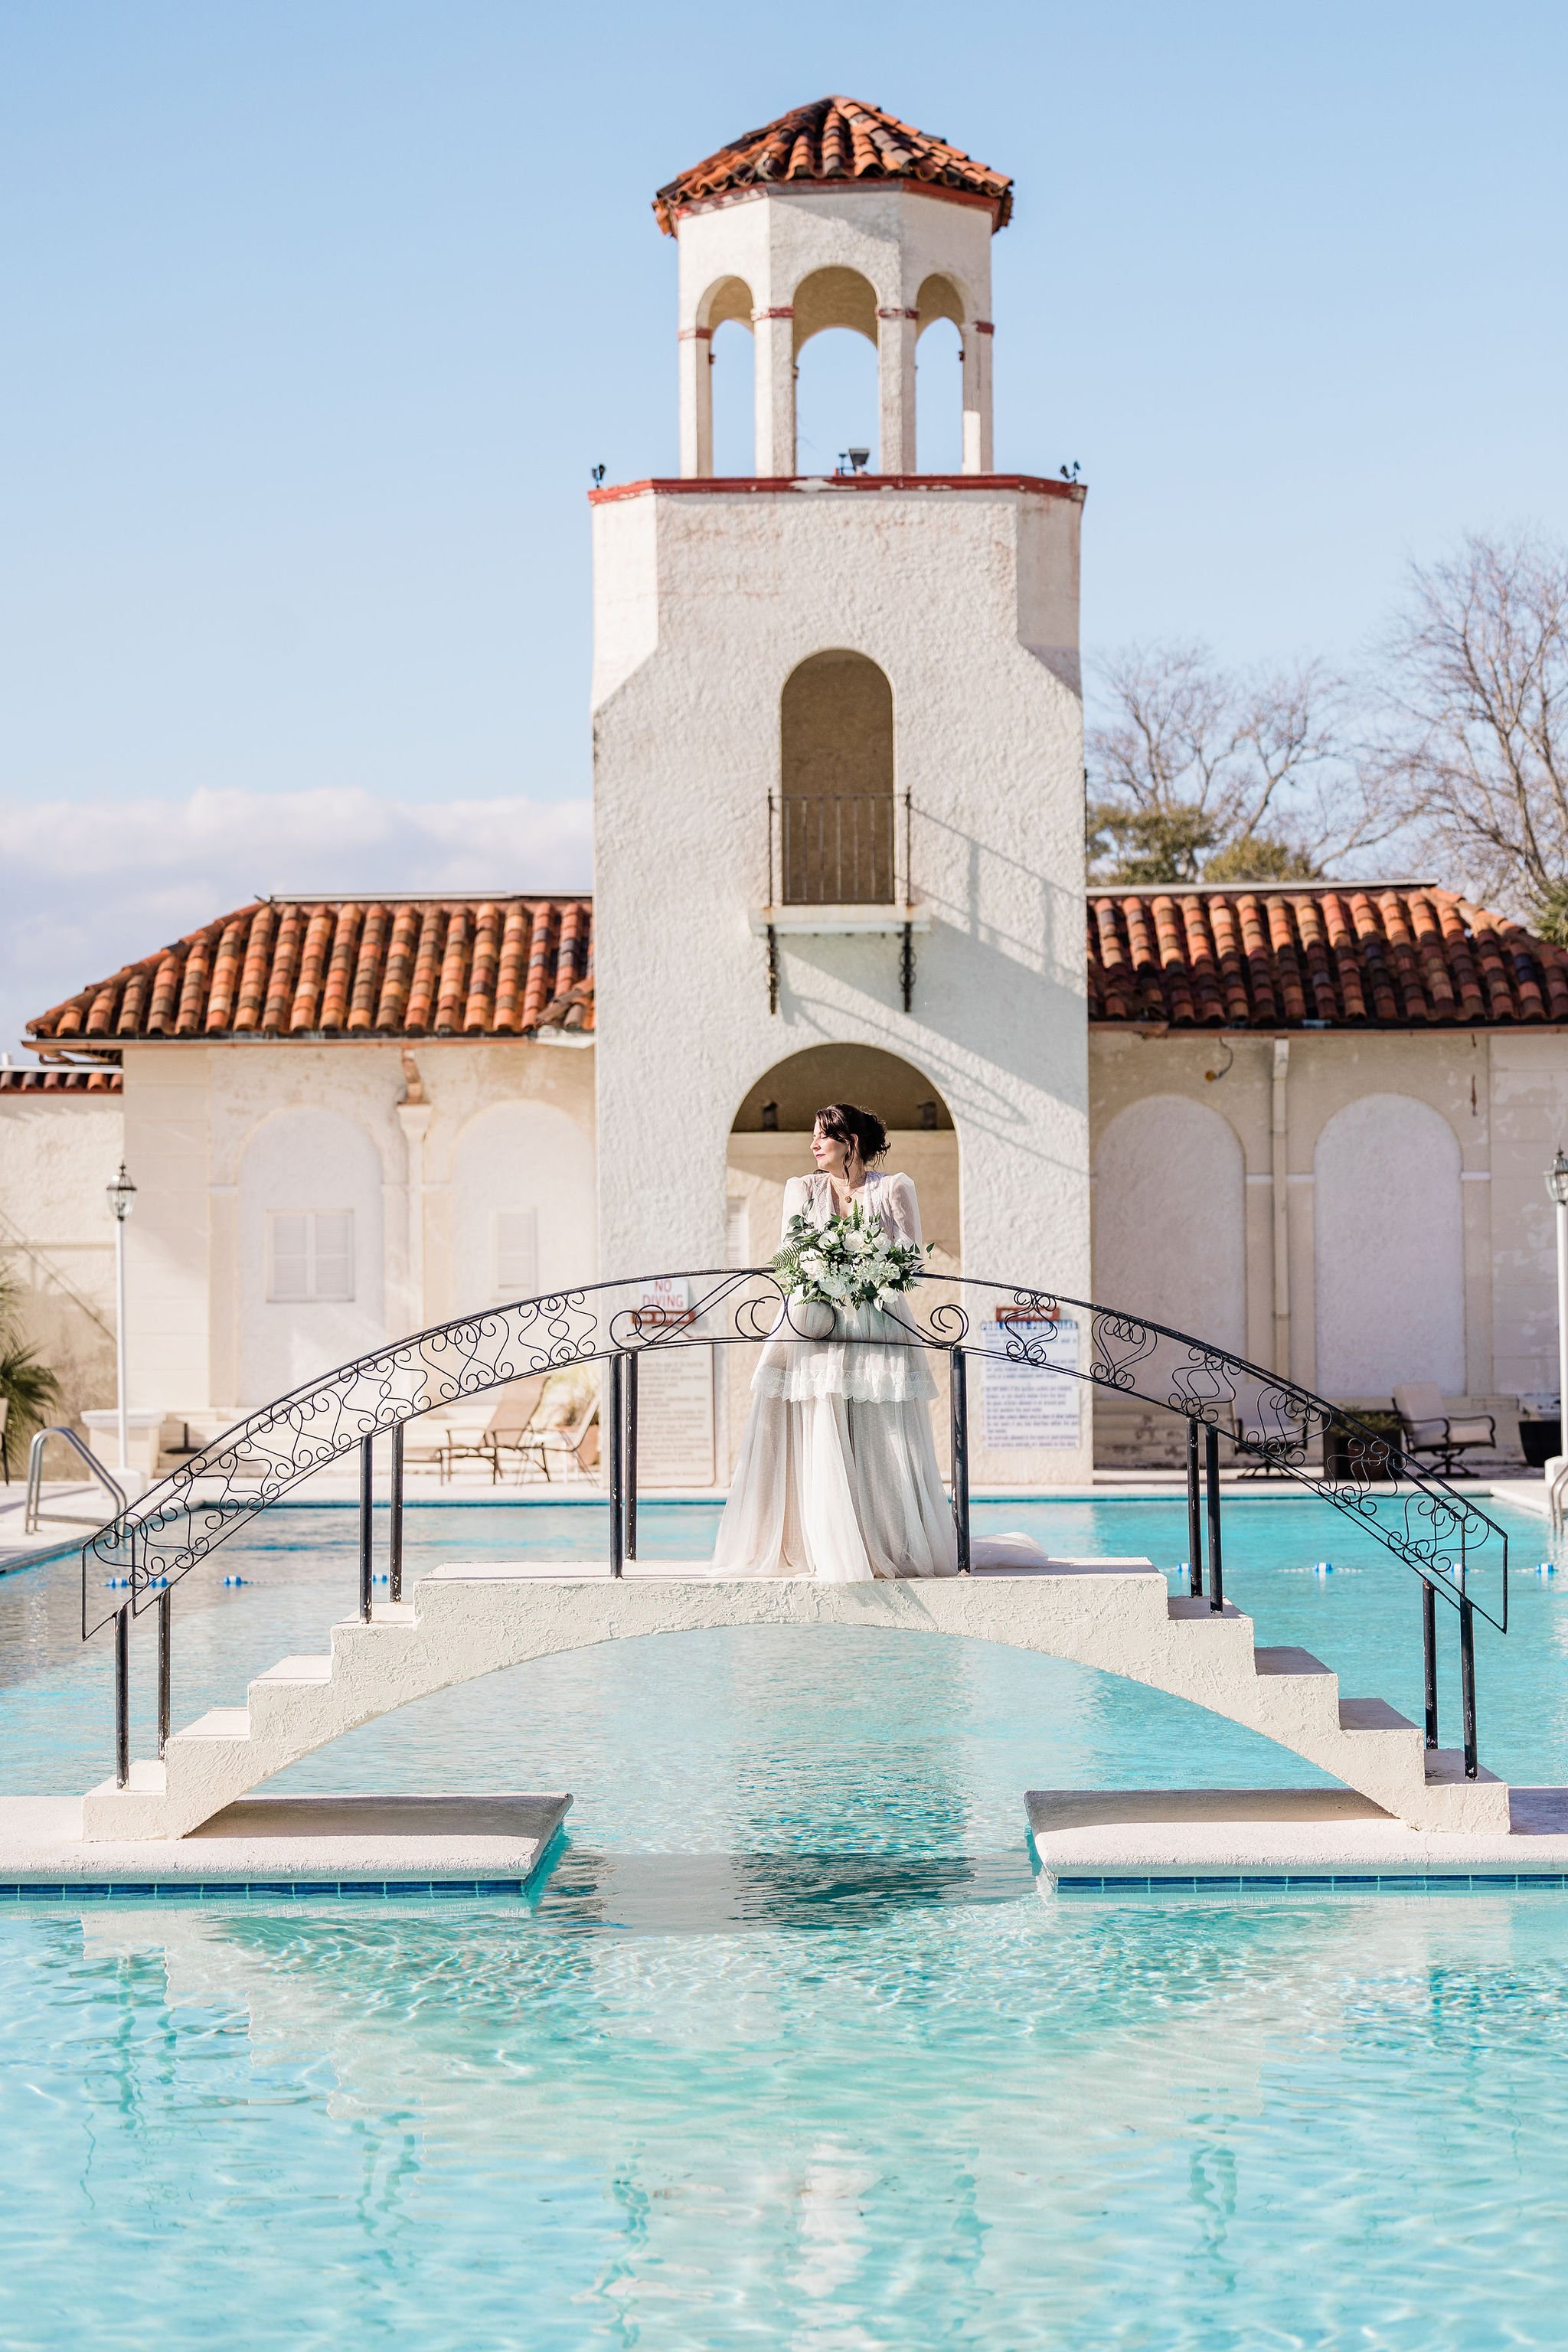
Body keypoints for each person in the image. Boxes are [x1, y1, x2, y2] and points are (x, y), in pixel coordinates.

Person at [713, 1102, 960, 1581]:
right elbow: (791, 1253)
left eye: (822, 1137)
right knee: (821, 1419)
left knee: (880, 1431)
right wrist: (826, 1271)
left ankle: (883, 1542)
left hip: (877, 1321)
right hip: (817, 1322)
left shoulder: (894, 1189)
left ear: (850, 1143)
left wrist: (870, 1270)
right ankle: (822, 1543)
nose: (812, 1145)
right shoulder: (801, 1189)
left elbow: (912, 1264)